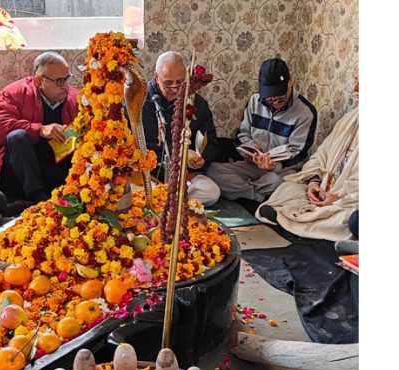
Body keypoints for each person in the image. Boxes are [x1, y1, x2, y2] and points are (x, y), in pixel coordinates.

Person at [256, 72, 359, 242]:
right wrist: (314, 183)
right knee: (287, 187)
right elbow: (320, 155)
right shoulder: (349, 119)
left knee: (349, 218)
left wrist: (338, 199)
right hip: (325, 188)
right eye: (356, 80)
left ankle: (292, 219)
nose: (354, 88)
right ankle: (298, 218)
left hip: (346, 200)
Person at [205, 58, 317, 203]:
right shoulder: (254, 101)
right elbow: (241, 135)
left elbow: (300, 155)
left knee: (279, 182)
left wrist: (274, 165)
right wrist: (250, 150)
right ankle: (259, 197)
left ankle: (245, 193)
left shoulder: (305, 112)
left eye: (281, 99)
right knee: (212, 170)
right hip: (253, 166)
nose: (275, 104)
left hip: (281, 171)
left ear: (291, 81)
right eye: (270, 100)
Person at [0, 52, 80, 203]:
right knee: (17, 137)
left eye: (67, 78)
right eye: (60, 81)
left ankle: (33, 205)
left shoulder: (76, 98)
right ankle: (38, 201)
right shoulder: (14, 93)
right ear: (38, 80)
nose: (66, 86)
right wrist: (40, 130)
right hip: (19, 171)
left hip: (56, 172)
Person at [141, 51, 221, 206]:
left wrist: (202, 159)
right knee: (132, 191)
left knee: (212, 192)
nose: (174, 88)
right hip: (149, 176)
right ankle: (168, 201)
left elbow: (212, 142)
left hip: (183, 176)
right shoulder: (140, 101)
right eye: (168, 83)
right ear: (156, 76)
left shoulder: (196, 103)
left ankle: (166, 202)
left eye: (179, 82)